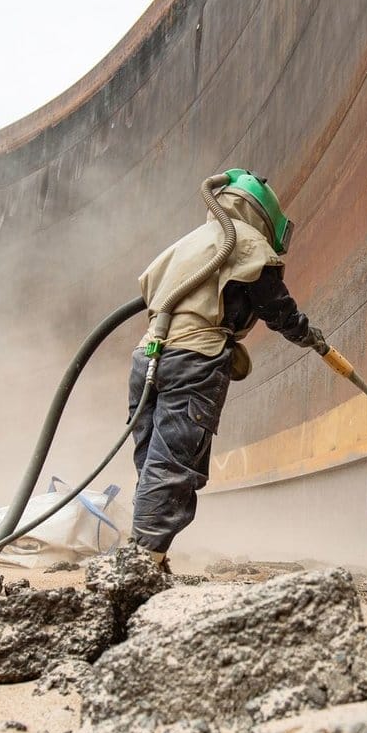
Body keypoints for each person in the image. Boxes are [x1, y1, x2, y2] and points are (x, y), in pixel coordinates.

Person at [127, 169, 325, 566]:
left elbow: (149, 292)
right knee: (173, 461)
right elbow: (275, 307)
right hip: (194, 360)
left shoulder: (188, 244)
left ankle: (143, 554)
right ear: (265, 219)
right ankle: (141, 564)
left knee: (151, 459)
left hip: (147, 356)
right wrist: (308, 335)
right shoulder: (247, 244)